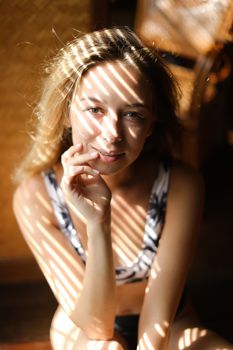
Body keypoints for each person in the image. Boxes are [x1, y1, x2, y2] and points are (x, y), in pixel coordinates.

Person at [13, 26, 233, 350]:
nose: (112, 133)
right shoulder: (36, 197)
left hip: (171, 321)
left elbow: (158, 323)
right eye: (95, 109)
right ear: (67, 114)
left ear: (151, 124)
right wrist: (98, 223)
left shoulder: (180, 186)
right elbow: (96, 327)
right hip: (83, 326)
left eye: (132, 114)